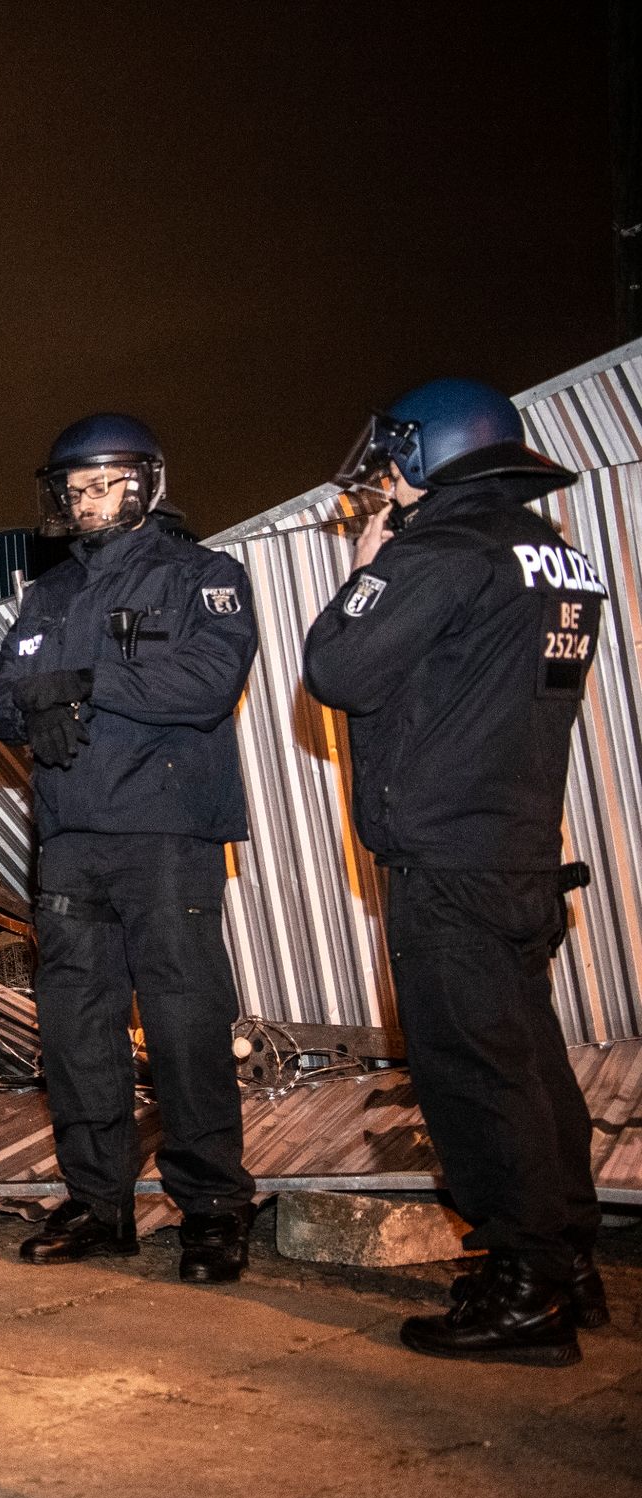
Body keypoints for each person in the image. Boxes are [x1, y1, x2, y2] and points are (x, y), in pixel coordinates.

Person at [304, 378, 607, 1367]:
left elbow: (338, 671)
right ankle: (563, 1260)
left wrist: (363, 570)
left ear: (429, 453)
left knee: (472, 1075)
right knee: (527, 1062)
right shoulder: (551, 554)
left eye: (392, 461)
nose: (381, 483)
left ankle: (526, 1294)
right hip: (517, 845)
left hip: (446, 858)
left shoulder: (439, 548)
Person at [0, 413, 259, 1282]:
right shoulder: (51, 593)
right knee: (75, 1030)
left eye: (103, 485)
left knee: (184, 1023)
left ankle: (214, 1208)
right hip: (68, 840)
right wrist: (40, 705)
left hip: (165, 832)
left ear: (144, 486)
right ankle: (98, 1205)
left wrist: (88, 685)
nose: (87, 501)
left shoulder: (203, 575)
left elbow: (210, 682)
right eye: (75, 489)